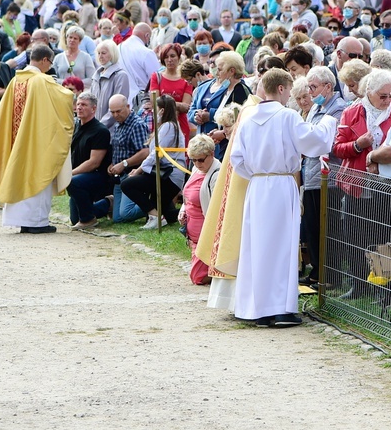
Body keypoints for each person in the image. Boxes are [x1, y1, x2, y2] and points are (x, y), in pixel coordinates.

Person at [230, 68, 336, 327]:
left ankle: (258, 308)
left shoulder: (248, 118)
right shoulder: (287, 116)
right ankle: (280, 308)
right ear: (280, 88)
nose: (291, 95)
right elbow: (313, 141)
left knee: (258, 246)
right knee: (282, 247)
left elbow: (237, 160)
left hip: (257, 186)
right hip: (280, 184)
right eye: (289, 90)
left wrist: (257, 174)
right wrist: (329, 122)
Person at [0, 45, 74, 233]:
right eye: (50, 62)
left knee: (16, 175)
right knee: (37, 175)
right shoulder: (42, 82)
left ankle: (21, 221)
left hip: (14, 140)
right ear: (44, 60)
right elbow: (66, 98)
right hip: (35, 141)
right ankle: (36, 223)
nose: (49, 66)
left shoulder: (15, 81)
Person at [332, 69, 391, 297]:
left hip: (385, 184)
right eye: (382, 96)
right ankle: (358, 284)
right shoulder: (352, 112)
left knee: (383, 235)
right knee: (355, 235)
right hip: (356, 183)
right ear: (369, 93)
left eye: (390, 95)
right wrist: (358, 145)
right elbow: (338, 148)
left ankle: (386, 287)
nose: (387, 100)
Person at [299, 67, 348, 287]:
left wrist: (306, 142)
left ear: (328, 86)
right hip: (311, 175)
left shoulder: (337, 108)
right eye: (309, 87)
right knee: (312, 227)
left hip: (328, 178)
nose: (310, 92)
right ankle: (318, 271)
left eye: (313, 87)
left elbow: (321, 141)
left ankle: (329, 274)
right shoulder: (317, 107)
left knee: (326, 228)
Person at [120, 94, 186, 229]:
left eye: (155, 108)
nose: (152, 111)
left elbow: (156, 154)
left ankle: (156, 216)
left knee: (127, 184)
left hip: (169, 175)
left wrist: (138, 171)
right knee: (168, 213)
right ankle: (192, 214)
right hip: (164, 173)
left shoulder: (169, 126)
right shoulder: (169, 126)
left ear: (162, 110)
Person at [93, 94, 149, 224]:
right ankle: (113, 202)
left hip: (132, 174)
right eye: (112, 112)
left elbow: (145, 152)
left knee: (125, 214)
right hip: (119, 175)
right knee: (118, 218)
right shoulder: (119, 124)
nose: (115, 115)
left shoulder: (137, 125)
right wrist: (113, 163)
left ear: (128, 107)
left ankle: (155, 205)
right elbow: (120, 149)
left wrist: (124, 164)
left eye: (118, 111)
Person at [189, 52, 251, 159]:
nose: (217, 73)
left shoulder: (240, 90)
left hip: (233, 150)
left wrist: (222, 133)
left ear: (232, 71)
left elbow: (242, 123)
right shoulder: (226, 90)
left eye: (220, 69)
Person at [179, 134, 221, 285]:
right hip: (194, 235)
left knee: (198, 277)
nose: (197, 164)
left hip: (208, 235)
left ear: (211, 154)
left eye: (201, 159)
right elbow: (188, 195)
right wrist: (183, 210)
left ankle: (224, 273)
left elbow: (217, 207)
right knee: (197, 276)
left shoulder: (217, 174)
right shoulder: (197, 170)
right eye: (193, 160)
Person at [67, 93, 112, 229]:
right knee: (75, 219)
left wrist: (70, 174)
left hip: (98, 176)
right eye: (78, 104)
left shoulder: (100, 131)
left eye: (84, 105)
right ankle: (108, 204)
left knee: (72, 182)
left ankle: (89, 220)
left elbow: (94, 163)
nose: (79, 107)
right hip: (80, 175)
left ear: (93, 109)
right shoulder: (75, 127)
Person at [150, 43, 193, 143]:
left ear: (178, 57)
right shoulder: (156, 77)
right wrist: (177, 105)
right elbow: (155, 103)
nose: (169, 60)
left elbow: (186, 107)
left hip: (181, 125)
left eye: (172, 56)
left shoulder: (186, 79)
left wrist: (165, 102)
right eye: (166, 57)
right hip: (161, 123)